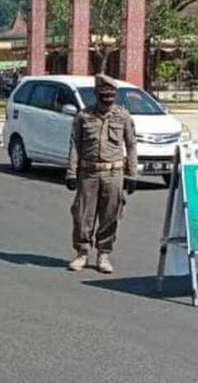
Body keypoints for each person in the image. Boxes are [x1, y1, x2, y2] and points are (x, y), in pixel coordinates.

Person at [65, 74, 137, 274]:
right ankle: (82, 253)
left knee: (110, 216)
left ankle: (104, 254)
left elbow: (131, 145)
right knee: (82, 215)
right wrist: (71, 172)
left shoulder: (123, 116)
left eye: (111, 95)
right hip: (89, 173)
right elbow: (75, 146)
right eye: (104, 95)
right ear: (97, 94)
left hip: (114, 173)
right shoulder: (84, 116)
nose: (108, 99)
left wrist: (132, 175)